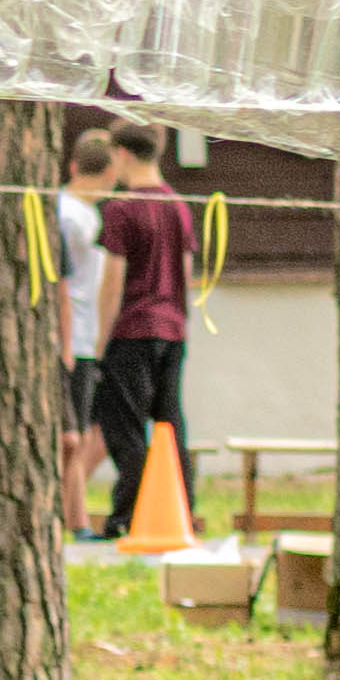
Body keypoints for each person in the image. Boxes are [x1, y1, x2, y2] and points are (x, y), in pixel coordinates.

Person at [82, 127, 196, 539]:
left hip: (131, 328)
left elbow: (113, 280)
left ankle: (127, 517)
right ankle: (182, 509)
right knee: (169, 422)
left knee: (124, 426)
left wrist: (100, 340)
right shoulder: (178, 206)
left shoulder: (121, 209)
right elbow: (186, 271)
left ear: (123, 154)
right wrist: (180, 320)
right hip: (172, 327)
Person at [50, 147, 109, 512]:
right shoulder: (66, 213)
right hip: (75, 333)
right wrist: (67, 342)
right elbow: (64, 288)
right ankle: (72, 515)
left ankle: (74, 514)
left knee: (86, 432)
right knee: (74, 435)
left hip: (88, 331)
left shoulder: (90, 213)